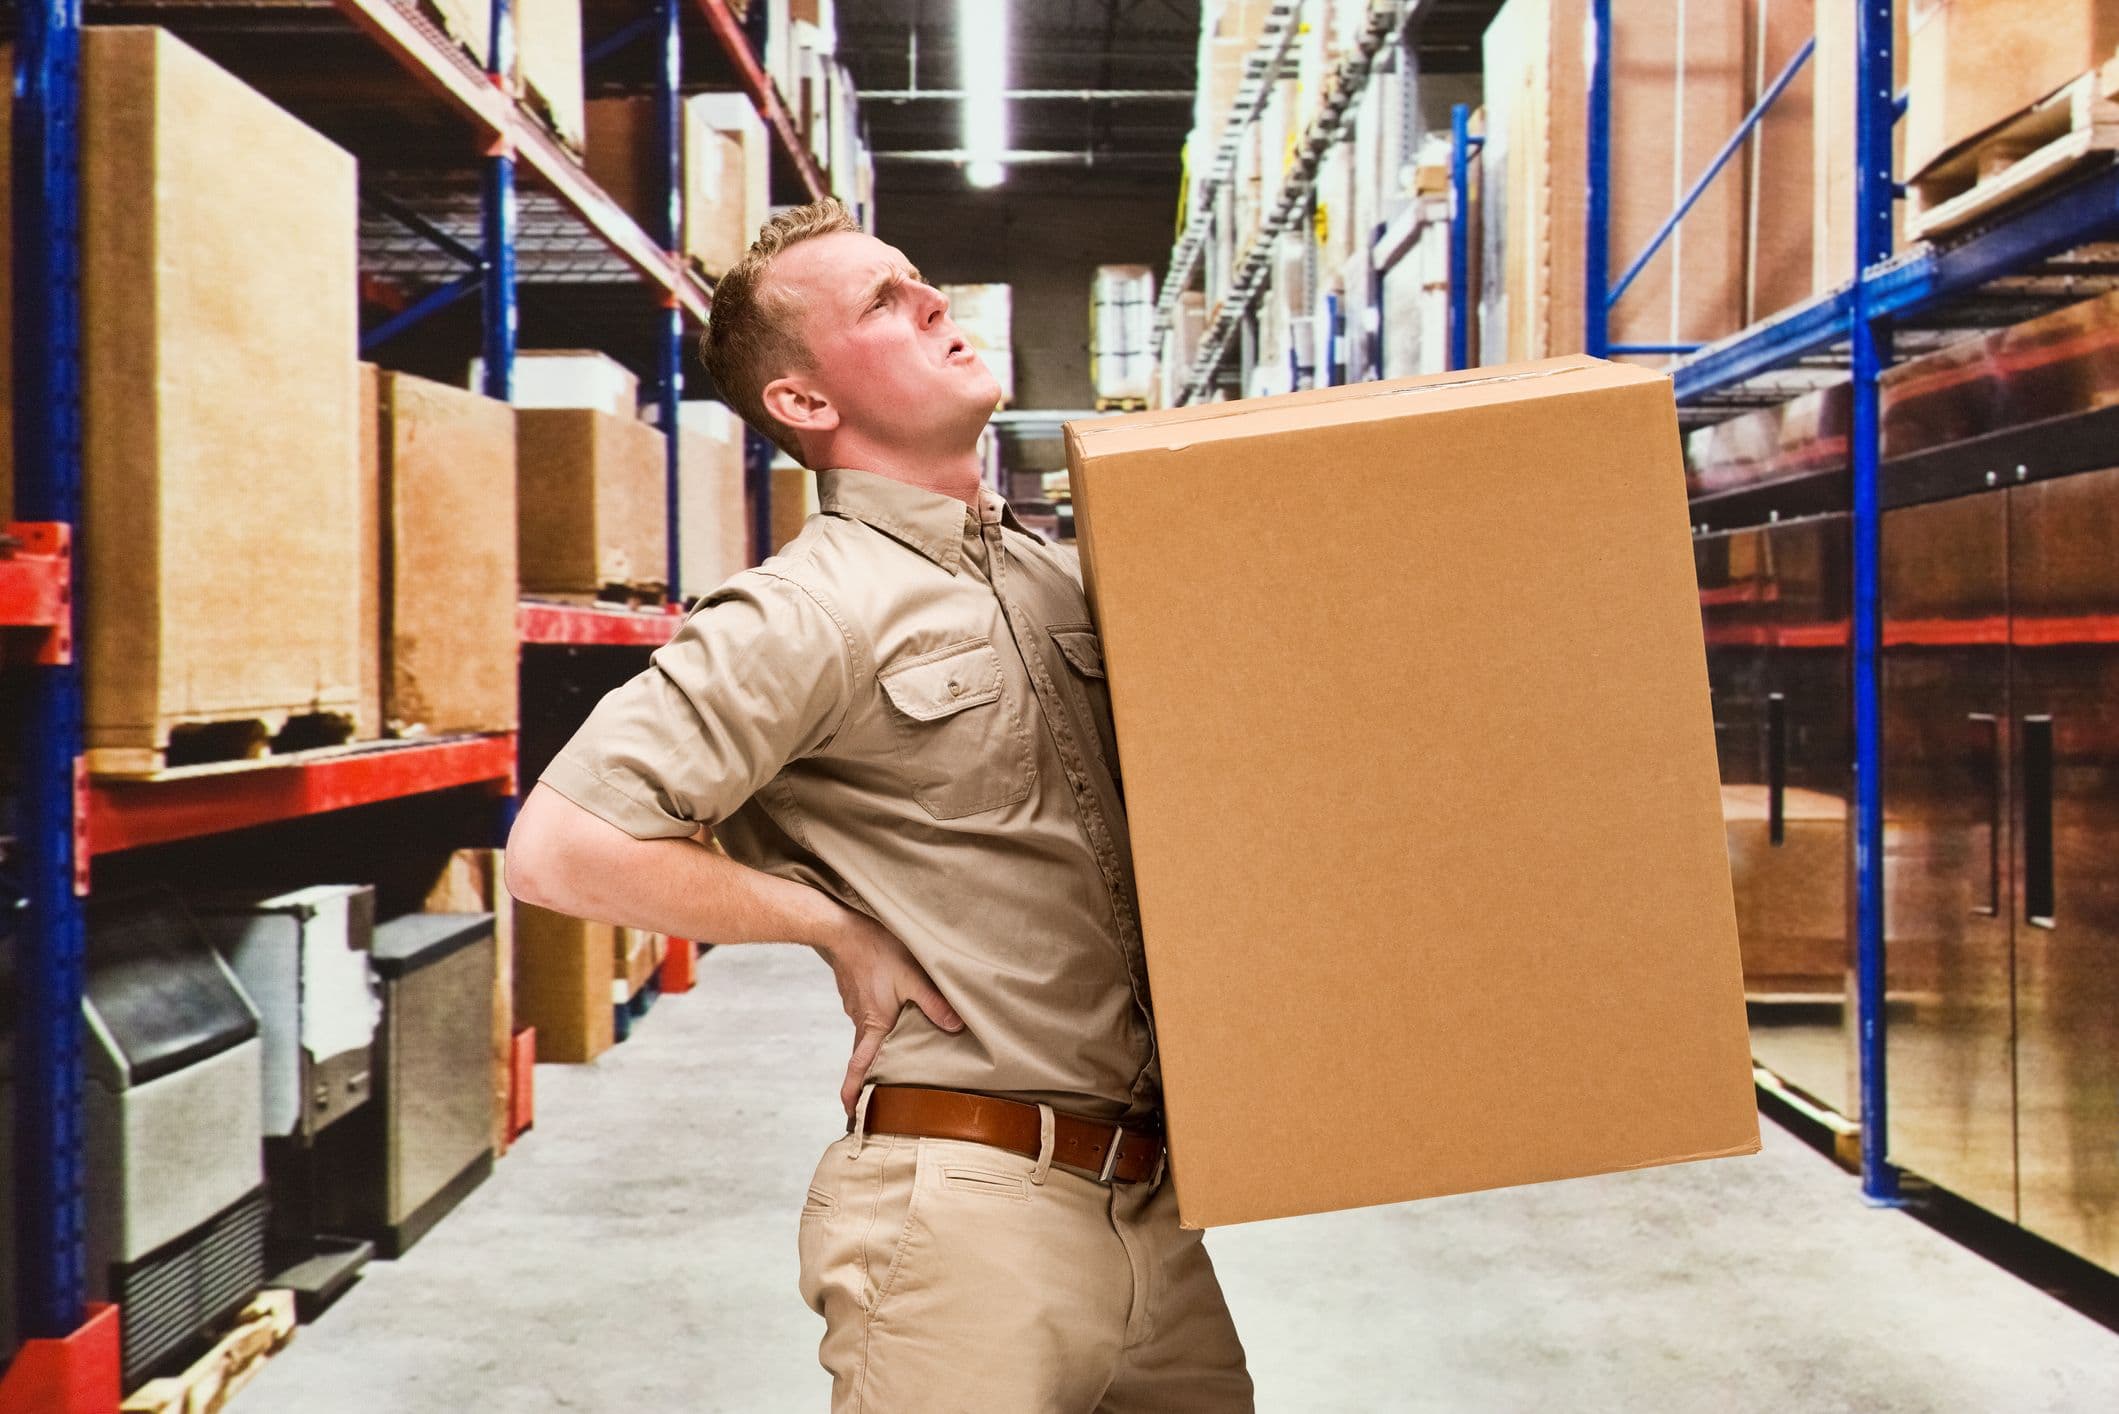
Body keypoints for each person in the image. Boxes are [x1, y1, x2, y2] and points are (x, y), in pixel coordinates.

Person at [504, 199, 1253, 1412]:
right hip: (968, 1216)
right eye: (883, 304)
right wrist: (831, 926)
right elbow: (562, 847)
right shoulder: (808, 609)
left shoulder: (1053, 576)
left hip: (1155, 1213)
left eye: (920, 283)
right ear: (804, 403)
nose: (934, 307)